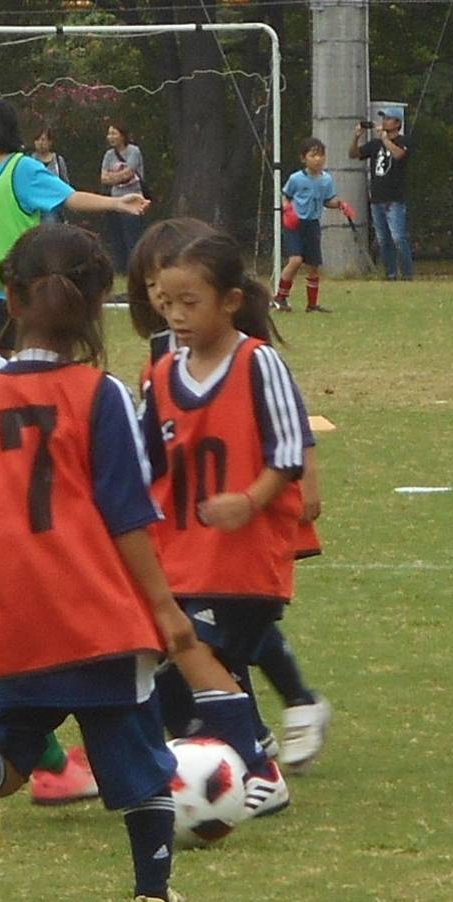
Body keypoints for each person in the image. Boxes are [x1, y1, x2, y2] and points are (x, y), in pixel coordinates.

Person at [0, 223, 198, 902]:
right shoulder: (101, 396)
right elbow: (128, 513)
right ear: (97, 305)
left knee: (11, 740)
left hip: (11, 612)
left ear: (10, 299)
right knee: (140, 764)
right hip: (97, 615)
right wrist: (164, 608)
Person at [128, 219, 332, 769]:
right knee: (170, 658)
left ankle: (254, 761)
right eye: (161, 296)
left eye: (186, 300)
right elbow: (143, 456)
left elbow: (289, 446)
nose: (172, 311)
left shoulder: (257, 361)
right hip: (183, 551)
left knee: (191, 648)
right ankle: (234, 751)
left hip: (243, 557)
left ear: (229, 301)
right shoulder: (163, 369)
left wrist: (250, 500)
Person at [0, 98, 149, 372]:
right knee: (7, 353)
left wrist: (116, 203)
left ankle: (27, 384)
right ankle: (28, 386)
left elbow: (69, 197)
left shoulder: (22, 169)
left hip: (11, 277)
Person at [274, 137, 345, 312]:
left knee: (313, 265)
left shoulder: (326, 180)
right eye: (313, 155)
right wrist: (288, 210)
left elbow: (327, 201)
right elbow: (286, 196)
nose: (318, 159)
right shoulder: (296, 178)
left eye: (321, 155)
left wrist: (340, 204)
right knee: (296, 260)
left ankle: (312, 305)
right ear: (303, 158)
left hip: (312, 224)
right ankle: (280, 298)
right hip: (295, 224)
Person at [350, 107, 413, 281]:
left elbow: (399, 155)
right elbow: (353, 154)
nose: (384, 121)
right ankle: (390, 273)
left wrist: (385, 139)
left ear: (397, 123)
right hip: (377, 198)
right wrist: (356, 137)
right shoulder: (375, 144)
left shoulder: (403, 141)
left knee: (398, 238)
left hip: (394, 199)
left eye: (388, 118)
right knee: (383, 240)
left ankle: (407, 273)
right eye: (383, 118)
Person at [99, 122, 147, 276]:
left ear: (123, 135)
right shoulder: (109, 155)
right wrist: (117, 177)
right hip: (114, 200)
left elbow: (129, 173)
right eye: (109, 134)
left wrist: (113, 176)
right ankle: (120, 270)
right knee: (116, 236)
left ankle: (135, 269)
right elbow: (103, 178)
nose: (111, 137)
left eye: (114, 133)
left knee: (132, 235)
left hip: (133, 199)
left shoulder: (134, 151)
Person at [32, 127, 69, 224]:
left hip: (52, 205)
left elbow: (65, 183)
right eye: (37, 140)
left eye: (43, 139)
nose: (40, 143)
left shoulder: (58, 160)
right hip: (34, 206)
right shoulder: (29, 161)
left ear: (50, 142)